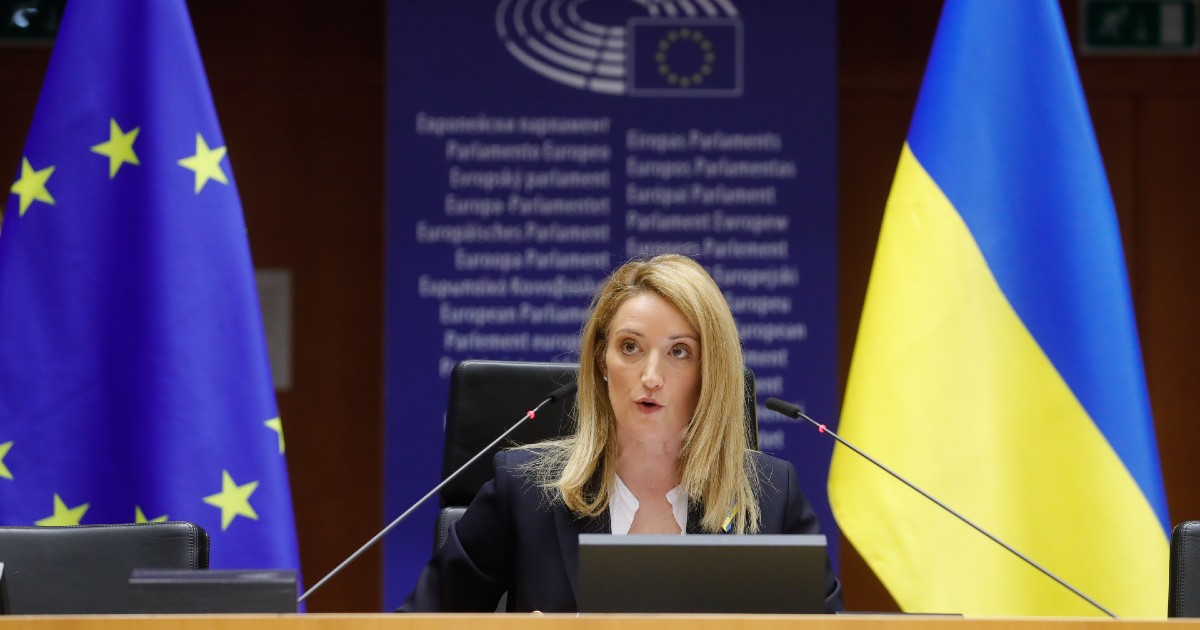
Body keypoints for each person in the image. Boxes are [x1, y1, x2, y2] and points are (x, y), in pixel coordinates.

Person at [399, 254, 843, 612]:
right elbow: (419, 624)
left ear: (710, 371)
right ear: (601, 361)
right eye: (630, 347)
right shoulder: (525, 490)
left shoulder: (770, 496)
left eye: (679, 352)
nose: (650, 376)